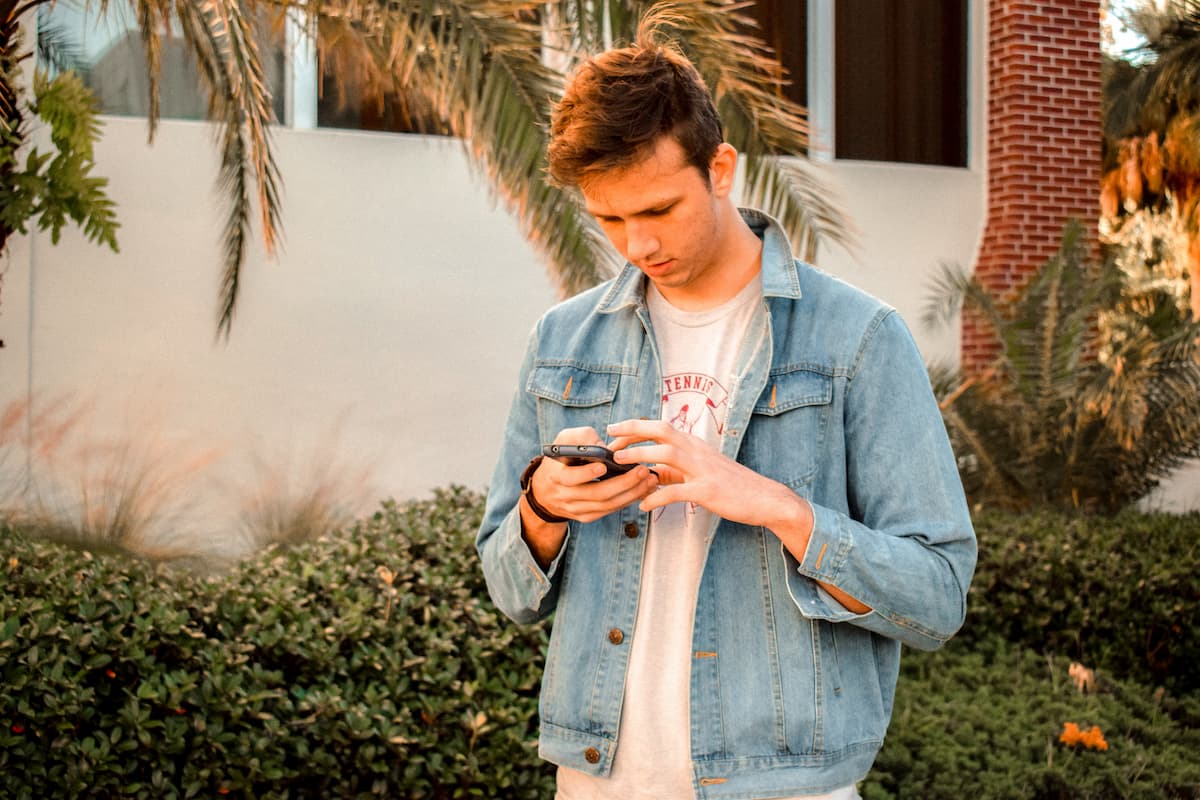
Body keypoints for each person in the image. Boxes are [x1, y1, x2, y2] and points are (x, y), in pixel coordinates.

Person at [476, 15, 976, 800]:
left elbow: (938, 596)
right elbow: (507, 586)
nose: (636, 245)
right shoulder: (562, 340)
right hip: (597, 778)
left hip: (781, 787)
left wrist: (772, 505)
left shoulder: (857, 338)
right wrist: (544, 506)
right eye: (609, 218)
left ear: (721, 168)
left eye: (659, 209)